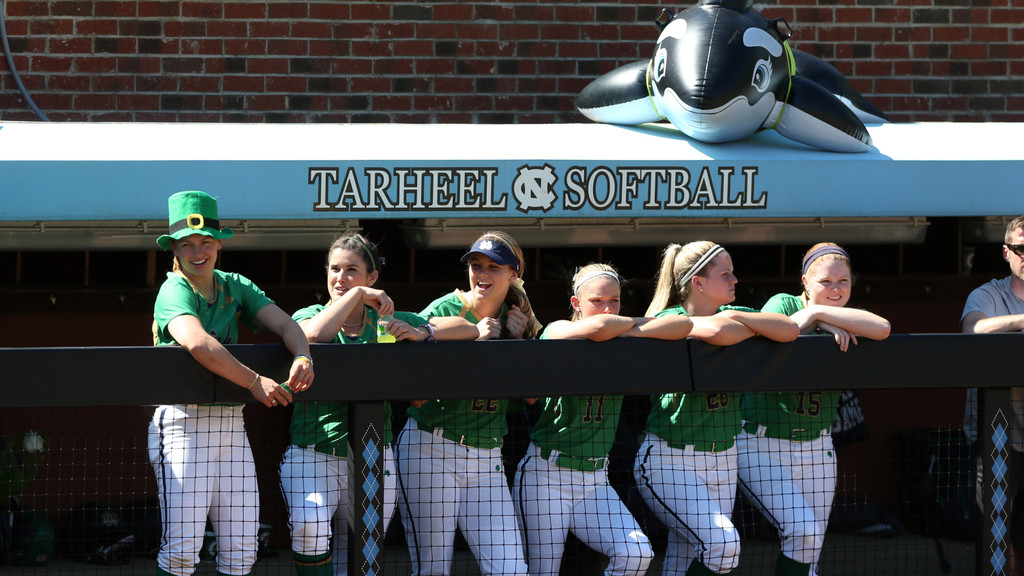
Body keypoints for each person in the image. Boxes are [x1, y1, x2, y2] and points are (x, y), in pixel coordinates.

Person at [280, 234, 477, 576]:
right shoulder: (311, 314)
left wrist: (425, 330)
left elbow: (468, 328)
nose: (340, 278)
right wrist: (355, 294)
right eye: (335, 269)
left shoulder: (387, 320)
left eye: (352, 271)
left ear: (373, 278)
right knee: (309, 528)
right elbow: (311, 337)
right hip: (313, 454)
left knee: (363, 550)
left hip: (373, 454)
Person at [148, 190, 315, 576]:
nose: (197, 252)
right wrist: (256, 381)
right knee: (182, 551)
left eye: (206, 241)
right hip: (182, 424)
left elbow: (287, 324)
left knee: (242, 548)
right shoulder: (174, 288)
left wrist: (303, 355)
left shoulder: (233, 284)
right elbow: (199, 343)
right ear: (174, 248)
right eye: (187, 244)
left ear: (219, 243)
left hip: (230, 424)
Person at [513, 263, 693, 576]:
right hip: (546, 475)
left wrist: (628, 327)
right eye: (597, 301)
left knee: (636, 553)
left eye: (615, 300)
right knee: (544, 570)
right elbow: (597, 328)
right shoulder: (556, 330)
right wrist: (632, 326)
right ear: (576, 304)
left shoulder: (622, 338)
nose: (607, 308)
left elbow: (683, 326)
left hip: (595, 480)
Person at [635, 241, 799, 576]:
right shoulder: (671, 317)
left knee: (689, 556)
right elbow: (714, 331)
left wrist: (738, 315)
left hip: (722, 458)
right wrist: (747, 326)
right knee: (723, 545)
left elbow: (790, 330)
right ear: (698, 282)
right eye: (725, 274)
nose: (735, 279)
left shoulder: (733, 313)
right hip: (671, 459)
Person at [738, 242, 890, 576]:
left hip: (818, 449)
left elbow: (882, 328)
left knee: (812, 550)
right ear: (805, 282)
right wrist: (816, 319)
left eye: (843, 282)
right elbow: (784, 330)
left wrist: (820, 315)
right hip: (762, 444)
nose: (836, 289)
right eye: (825, 282)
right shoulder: (784, 302)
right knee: (803, 530)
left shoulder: (846, 315)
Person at [395, 230, 540, 576]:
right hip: (432, 448)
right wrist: (474, 338)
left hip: (487, 458)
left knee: (511, 570)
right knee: (433, 569)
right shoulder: (445, 309)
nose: (482, 274)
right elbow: (417, 395)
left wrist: (516, 343)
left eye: (494, 267)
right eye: (476, 265)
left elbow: (533, 396)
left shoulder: (520, 317)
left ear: (513, 274)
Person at [962, 215, 1024, 576]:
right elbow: (974, 328)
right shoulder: (989, 294)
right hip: (999, 441)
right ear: (1006, 252)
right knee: (997, 542)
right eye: (1020, 248)